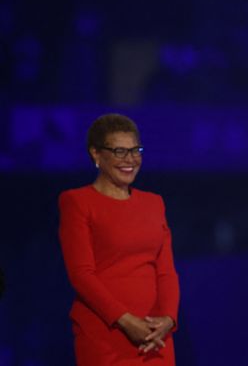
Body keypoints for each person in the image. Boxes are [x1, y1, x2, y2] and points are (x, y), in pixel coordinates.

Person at [59, 113, 180, 364]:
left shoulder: (154, 203)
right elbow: (81, 274)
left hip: (155, 337)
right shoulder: (77, 202)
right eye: (119, 151)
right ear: (96, 154)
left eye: (136, 150)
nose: (131, 160)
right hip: (106, 334)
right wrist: (125, 320)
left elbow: (166, 271)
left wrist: (168, 319)